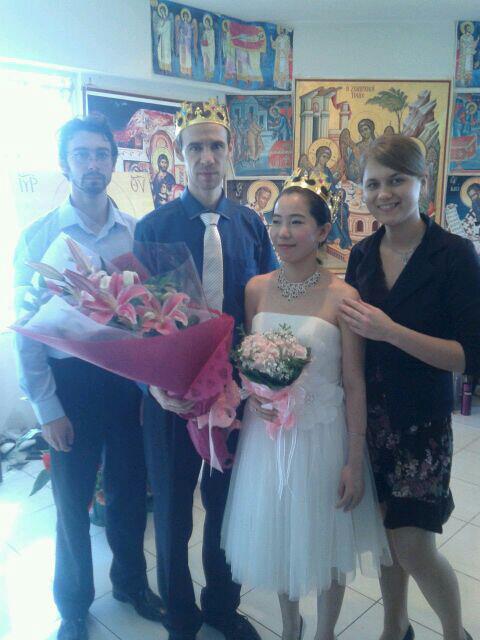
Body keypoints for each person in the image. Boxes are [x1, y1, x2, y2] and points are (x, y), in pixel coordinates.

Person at [13, 116, 165, 640]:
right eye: (82, 154)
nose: (93, 164)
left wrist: (149, 386)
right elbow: (27, 329)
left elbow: (152, 318)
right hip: (70, 387)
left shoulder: (136, 232)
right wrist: (48, 409)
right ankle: (73, 605)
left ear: (113, 163)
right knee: (72, 503)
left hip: (125, 385)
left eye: (102, 153)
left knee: (128, 493)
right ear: (65, 164)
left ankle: (130, 584)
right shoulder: (39, 237)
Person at [222, 169, 390, 640]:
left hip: (323, 434)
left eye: (296, 222)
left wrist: (354, 459)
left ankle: (325, 632)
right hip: (268, 436)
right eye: (276, 220)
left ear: (322, 230)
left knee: (326, 539)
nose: (283, 232)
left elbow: (353, 382)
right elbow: (248, 360)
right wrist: (254, 396)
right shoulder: (256, 288)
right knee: (280, 537)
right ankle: (290, 625)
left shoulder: (344, 296)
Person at [134, 99, 278, 640]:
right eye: (196, 147)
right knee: (173, 513)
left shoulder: (251, 225)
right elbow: (136, 320)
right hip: (172, 396)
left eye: (216, 145)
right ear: (180, 153)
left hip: (233, 396)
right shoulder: (153, 227)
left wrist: (264, 378)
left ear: (230, 149)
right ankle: (181, 615)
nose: (207, 158)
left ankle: (222, 606)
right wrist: (152, 384)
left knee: (225, 507)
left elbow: (264, 307)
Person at [340, 134, 479, 640]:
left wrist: (390, 331)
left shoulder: (454, 254)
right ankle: (394, 627)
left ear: (423, 180)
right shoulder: (362, 254)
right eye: (372, 183)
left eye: (396, 180)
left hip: (420, 423)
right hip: (370, 420)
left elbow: (468, 357)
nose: (384, 194)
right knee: (385, 537)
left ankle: (455, 632)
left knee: (414, 546)